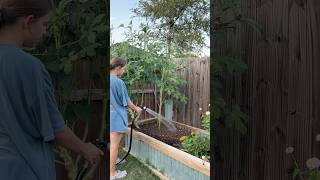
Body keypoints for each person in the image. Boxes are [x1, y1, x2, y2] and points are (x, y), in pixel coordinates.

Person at [0, 0, 103, 179]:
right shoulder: (29, 67)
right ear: (28, 21)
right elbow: (55, 129)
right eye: (45, 25)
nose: (45, 32)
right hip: (24, 171)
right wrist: (84, 148)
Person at [110, 57, 142, 179]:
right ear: (118, 68)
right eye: (123, 69)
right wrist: (136, 109)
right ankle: (112, 173)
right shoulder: (118, 82)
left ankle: (114, 160)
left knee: (112, 144)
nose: (124, 71)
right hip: (116, 117)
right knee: (114, 145)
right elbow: (126, 102)